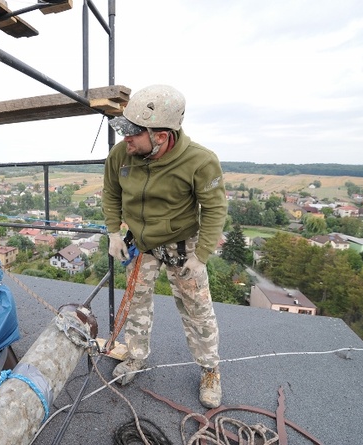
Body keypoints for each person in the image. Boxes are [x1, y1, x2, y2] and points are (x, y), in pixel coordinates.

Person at [102, 84, 227, 409]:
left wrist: (201, 256)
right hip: (140, 243)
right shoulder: (122, 154)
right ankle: (136, 356)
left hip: (182, 244)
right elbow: (111, 193)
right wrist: (114, 232)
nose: (125, 139)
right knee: (136, 304)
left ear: (160, 135)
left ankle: (209, 369)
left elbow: (214, 208)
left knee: (197, 310)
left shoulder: (199, 161)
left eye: (133, 133)